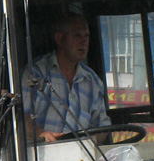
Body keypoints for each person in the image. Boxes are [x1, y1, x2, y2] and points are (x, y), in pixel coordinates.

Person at [23, 14, 110, 142]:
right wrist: (42, 134)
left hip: (81, 159)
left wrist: (91, 144)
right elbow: (20, 119)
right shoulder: (36, 74)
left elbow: (102, 126)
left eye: (86, 36)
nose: (84, 41)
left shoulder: (92, 81)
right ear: (59, 39)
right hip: (40, 158)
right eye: (77, 35)